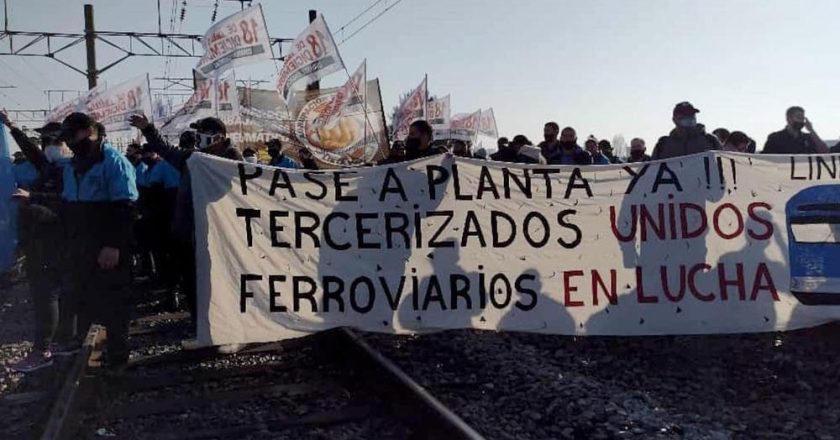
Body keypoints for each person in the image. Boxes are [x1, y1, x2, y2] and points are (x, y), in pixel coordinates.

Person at [16, 112, 138, 368]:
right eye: (67, 138)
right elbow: (67, 204)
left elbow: (125, 207)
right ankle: (85, 344)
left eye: (74, 136)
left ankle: (118, 355)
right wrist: (36, 198)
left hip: (107, 239)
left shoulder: (113, 162)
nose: (70, 142)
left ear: (90, 132)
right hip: (81, 242)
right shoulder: (73, 166)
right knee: (85, 296)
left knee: (114, 298)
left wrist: (113, 244)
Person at [130, 114, 242, 351]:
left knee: (223, 285)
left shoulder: (233, 158)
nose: (198, 139)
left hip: (220, 236)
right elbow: (166, 150)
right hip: (190, 233)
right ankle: (204, 332)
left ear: (218, 137)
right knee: (194, 285)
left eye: (203, 133)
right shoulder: (192, 158)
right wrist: (148, 128)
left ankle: (232, 333)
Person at [1, 115, 76, 372]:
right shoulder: (53, 166)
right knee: (58, 294)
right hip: (47, 240)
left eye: (51, 140)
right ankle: (64, 343)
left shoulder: (72, 169)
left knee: (47, 295)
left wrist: (32, 197)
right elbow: (31, 152)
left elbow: (66, 204)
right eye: (44, 141)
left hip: (54, 241)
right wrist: (11, 127)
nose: (46, 145)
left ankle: (42, 351)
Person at [651, 101, 721, 160]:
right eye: (684, 116)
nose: (689, 118)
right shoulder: (663, 144)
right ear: (674, 120)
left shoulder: (710, 140)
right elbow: (652, 170)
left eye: (692, 115)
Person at [762, 106, 829, 154]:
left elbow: (825, 152)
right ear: (788, 119)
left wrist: (811, 130)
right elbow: (766, 159)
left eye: (802, 118)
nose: (801, 121)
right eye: (798, 117)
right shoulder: (775, 138)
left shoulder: (808, 138)